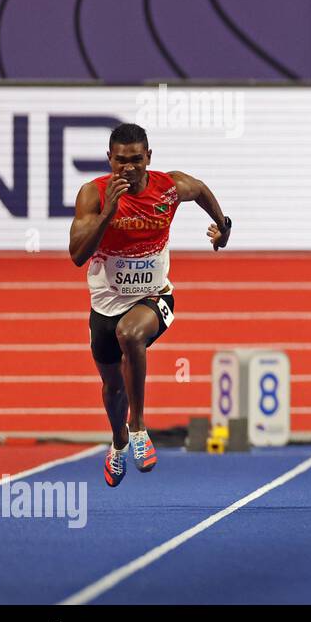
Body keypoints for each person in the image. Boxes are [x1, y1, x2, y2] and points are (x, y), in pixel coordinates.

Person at [68, 123, 232, 487]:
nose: (129, 168)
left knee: (131, 334)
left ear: (149, 158)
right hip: (104, 306)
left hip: (154, 297)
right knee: (112, 387)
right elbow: (78, 255)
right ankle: (119, 440)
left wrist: (223, 226)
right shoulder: (92, 195)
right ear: (110, 159)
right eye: (121, 161)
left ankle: (138, 427)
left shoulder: (168, 187)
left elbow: (201, 189)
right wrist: (108, 213)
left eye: (137, 160)